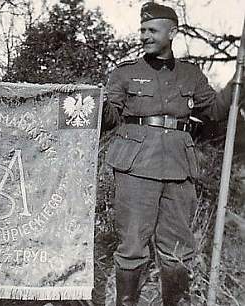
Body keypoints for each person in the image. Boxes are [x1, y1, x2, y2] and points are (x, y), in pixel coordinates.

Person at [104, 2, 243, 305]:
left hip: (180, 169)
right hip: (135, 168)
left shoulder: (191, 75)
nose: (144, 35)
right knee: (131, 247)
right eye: (142, 30)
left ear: (172, 32)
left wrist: (238, 82)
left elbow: (215, 111)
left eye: (151, 30)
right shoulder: (126, 73)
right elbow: (111, 117)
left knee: (179, 249)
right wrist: (98, 106)